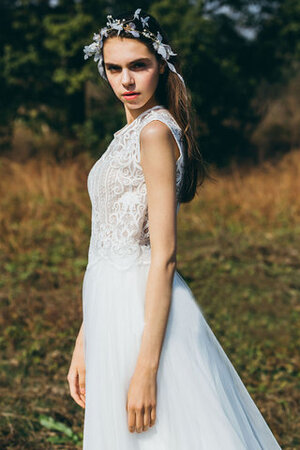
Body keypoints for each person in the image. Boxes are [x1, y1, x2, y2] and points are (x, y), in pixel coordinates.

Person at [67, 8, 282, 449]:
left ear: (161, 66)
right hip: (107, 306)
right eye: (114, 68)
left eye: (138, 66)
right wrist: (84, 341)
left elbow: (163, 254)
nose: (126, 80)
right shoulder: (125, 135)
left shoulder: (154, 134)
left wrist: (147, 370)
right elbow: (103, 244)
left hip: (142, 313)